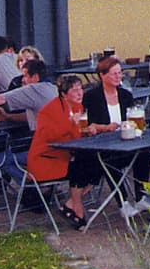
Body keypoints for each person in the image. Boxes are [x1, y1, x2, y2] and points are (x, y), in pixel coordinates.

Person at [27, 74, 103, 229]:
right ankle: (78, 210)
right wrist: (70, 124)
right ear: (63, 94)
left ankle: (70, 205)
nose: (80, 93)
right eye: (74, 90)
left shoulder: (78, 107)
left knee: (99, 165)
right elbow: (49, 136)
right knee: (79, 167)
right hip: (45, 159)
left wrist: (87, 131)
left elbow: (75, 135)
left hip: (65, 155)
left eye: (81, 89)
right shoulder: (49, 111)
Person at [0, 58, 57, 132]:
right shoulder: (53, 88)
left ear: (36, 77)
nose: (22, 80)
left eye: (25, 76)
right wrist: (8, 116)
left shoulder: (33, 89)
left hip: (45, 145)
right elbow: (30, 116)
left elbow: (0, 99)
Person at [83, 56, 134, 132]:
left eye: (119, 73)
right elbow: (88, 124)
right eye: (114, 74)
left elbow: (132, 121)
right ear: (102, 75)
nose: (118, 77)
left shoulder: (126, 95)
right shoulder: (91, 96)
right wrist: (105, 128)